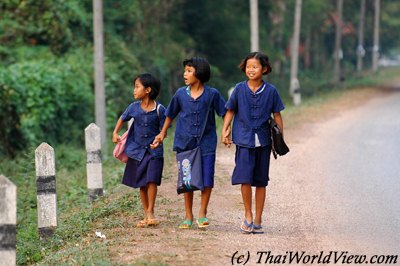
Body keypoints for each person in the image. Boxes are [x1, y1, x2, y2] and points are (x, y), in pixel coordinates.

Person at [152, 57, 226, 229]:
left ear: (199, 73)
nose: (185, 74)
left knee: (207, 178)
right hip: (184, 142)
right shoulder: (179, 94)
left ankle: (202, 213)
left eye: (189, 71)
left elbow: (224, 112)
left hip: (206, 143)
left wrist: (226, 130)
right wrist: (162, 133)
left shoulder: (212, 94)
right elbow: (170, 115)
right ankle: (188, 215)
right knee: (187, 180)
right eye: (185, 70)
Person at [222, 52, 285, 234]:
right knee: (244, 179)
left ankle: (258, 218)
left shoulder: (271, 91)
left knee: (261, 181)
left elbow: (277, 115)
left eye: (255, 67)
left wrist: (280, 137)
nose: (251, 70)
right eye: (248, 66)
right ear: (244, 68)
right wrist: (225, 130)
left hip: (264, 141)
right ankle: (248, 215)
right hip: (243, 140)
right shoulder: (239, 89)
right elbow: (230, 110)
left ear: (264, 69)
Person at [112, 73, 166, 228]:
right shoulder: (133, 107)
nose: (134, 90)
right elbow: (123, 118)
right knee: (142, 183)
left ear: (148, 90)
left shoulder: (160, 109)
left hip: (154, 151)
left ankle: (150, 212)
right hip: (137, 151)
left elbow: (164, 129)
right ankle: (145, 214)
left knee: (152, 180)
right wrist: (115, 132)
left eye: (137, 87)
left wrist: (160, 138)